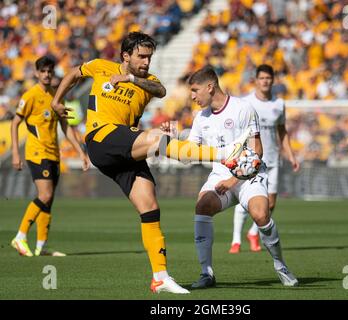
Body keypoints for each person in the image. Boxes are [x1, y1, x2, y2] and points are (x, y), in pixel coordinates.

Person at [51, 32, 248, 294]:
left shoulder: (148, 81)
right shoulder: (101, 67)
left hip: (123, 149)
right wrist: (57, 100)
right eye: (141, 56)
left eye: (149, 57)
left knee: (150, 206)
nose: (146, 62)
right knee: (158, 139)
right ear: (126, 56)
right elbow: (75, 73)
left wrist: (131, 79)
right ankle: (224, 154)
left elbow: (161, 90)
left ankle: (160, 276)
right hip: (102, 137)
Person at [177, 66, 298, 289]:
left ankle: (281, 265)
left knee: (261, 214)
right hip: (220, 175)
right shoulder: (200, 118)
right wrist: (171, 139)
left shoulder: (243, 108)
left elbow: (257, 151)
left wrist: (234, 181)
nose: (192, 96)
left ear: (210, 87)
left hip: (249, 175)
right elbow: (189, 153)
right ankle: (206, 274)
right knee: (202, 206)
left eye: (195, 90)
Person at [10, 56, 90, 257]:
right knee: (44, 195)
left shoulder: (57, 97)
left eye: (49, 71)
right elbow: (15, 123)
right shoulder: (30, 96)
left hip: (54, 153)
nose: (46, 75)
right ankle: (20, 237)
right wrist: (15, 153)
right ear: (36, 73)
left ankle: (41, 247)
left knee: (49, 200)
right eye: (43, 71)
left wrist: (81, 152)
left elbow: (66, 126)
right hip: (37, 152)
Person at [229, 64, 300, 254]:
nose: (265, 81)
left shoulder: (279, 104)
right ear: (256, 80)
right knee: (246, 200)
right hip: (250, 158)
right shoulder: (246, 102)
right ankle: (236, 240)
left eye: (268, 78)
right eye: (262, 78)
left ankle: (253, 233)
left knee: (270, 203)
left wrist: (291, 155)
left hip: (272, 159)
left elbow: (282, 132)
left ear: (273, 80)